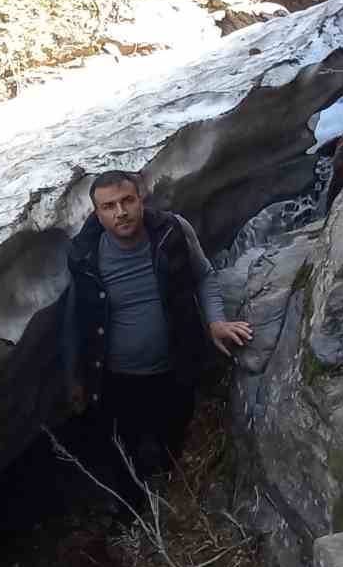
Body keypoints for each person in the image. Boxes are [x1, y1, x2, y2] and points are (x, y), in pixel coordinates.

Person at [60, 170, 252, 503]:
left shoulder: (172, 231)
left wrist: (215, 322)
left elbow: (204, 276)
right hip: (116, 380)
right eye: (108, 206)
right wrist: (74, 377)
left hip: (174, 367)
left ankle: (172, 493)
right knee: (124, 450)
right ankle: (131, 510)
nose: (120, 212)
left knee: (172, 436)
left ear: (141, 199)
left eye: (127, 201)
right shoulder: (86, 254)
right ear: (97, 213)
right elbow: (75, 319)